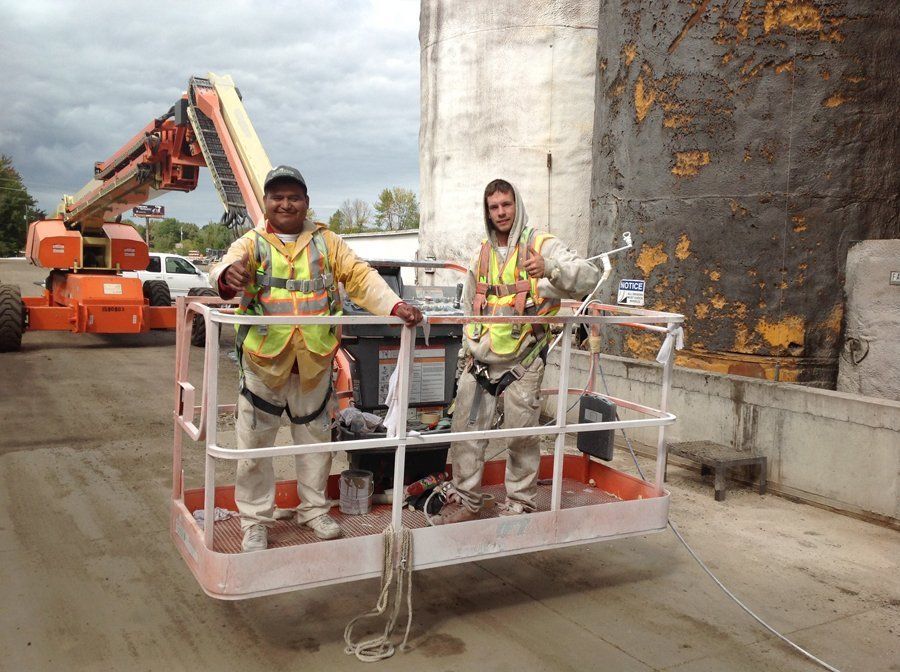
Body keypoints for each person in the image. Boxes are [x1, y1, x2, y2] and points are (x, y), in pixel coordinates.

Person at [211, 165, 422, 551]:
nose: (285, 204)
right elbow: (223, 269)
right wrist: (227, 276)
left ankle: (313, 510)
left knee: (315, 444)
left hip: (313, 361)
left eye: (293, 197)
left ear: (306, 202)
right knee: (253, 450)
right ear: (265, 201)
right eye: (277, 197)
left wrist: (395, 305)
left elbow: (360, 276)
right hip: (264, 362)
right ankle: (255, 522)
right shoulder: (252, 243)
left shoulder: (327, 243)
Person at [434, 178, 600, 524]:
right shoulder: (481, 253)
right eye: (494, 207)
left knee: (521, 437)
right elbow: (469, 305)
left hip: (523, 359)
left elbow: (589, 276)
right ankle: (467, 501)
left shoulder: (540, 244)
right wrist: (466, 353)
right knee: (465, 434)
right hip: (480, 361)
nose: (501, 213)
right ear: (487, 212)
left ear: (517, 205)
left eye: (506, 205)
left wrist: (550, 268)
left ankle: (520, 504)